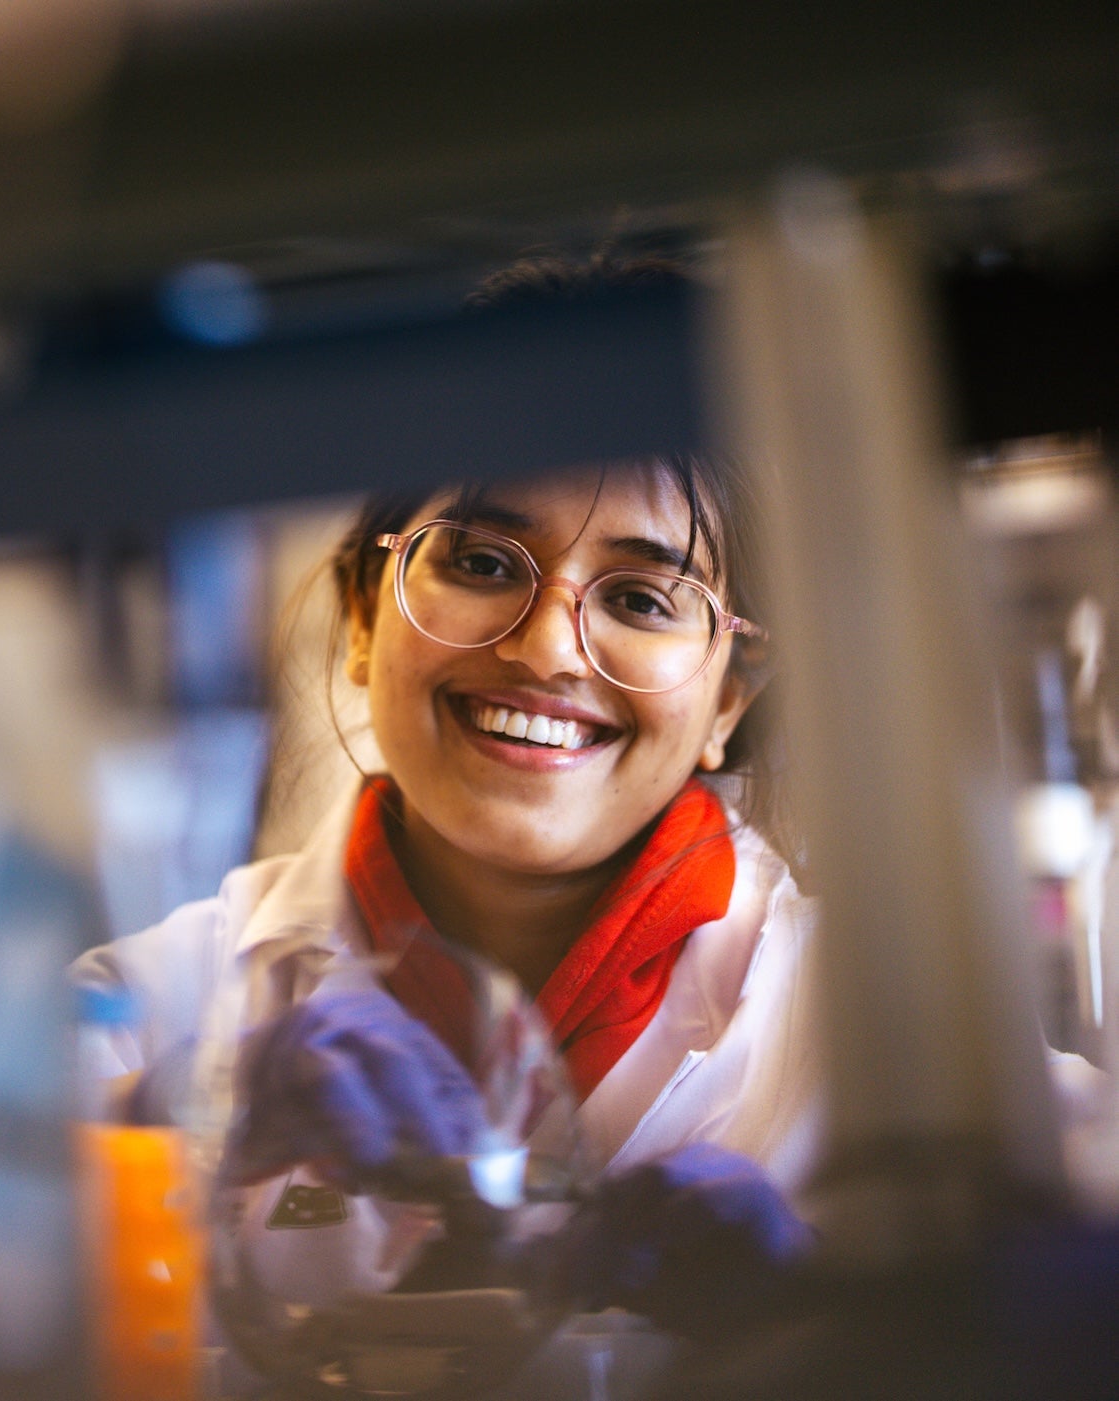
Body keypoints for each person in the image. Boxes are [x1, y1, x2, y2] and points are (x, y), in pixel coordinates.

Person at [71, 430, 820, 1334]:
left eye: (640, 598)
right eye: (479, 562)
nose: (547, 650)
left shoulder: (882, 1027)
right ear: (360, 617)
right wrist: (170, 1126)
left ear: (730, 696)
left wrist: (857, 1319)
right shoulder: (141, 1014)